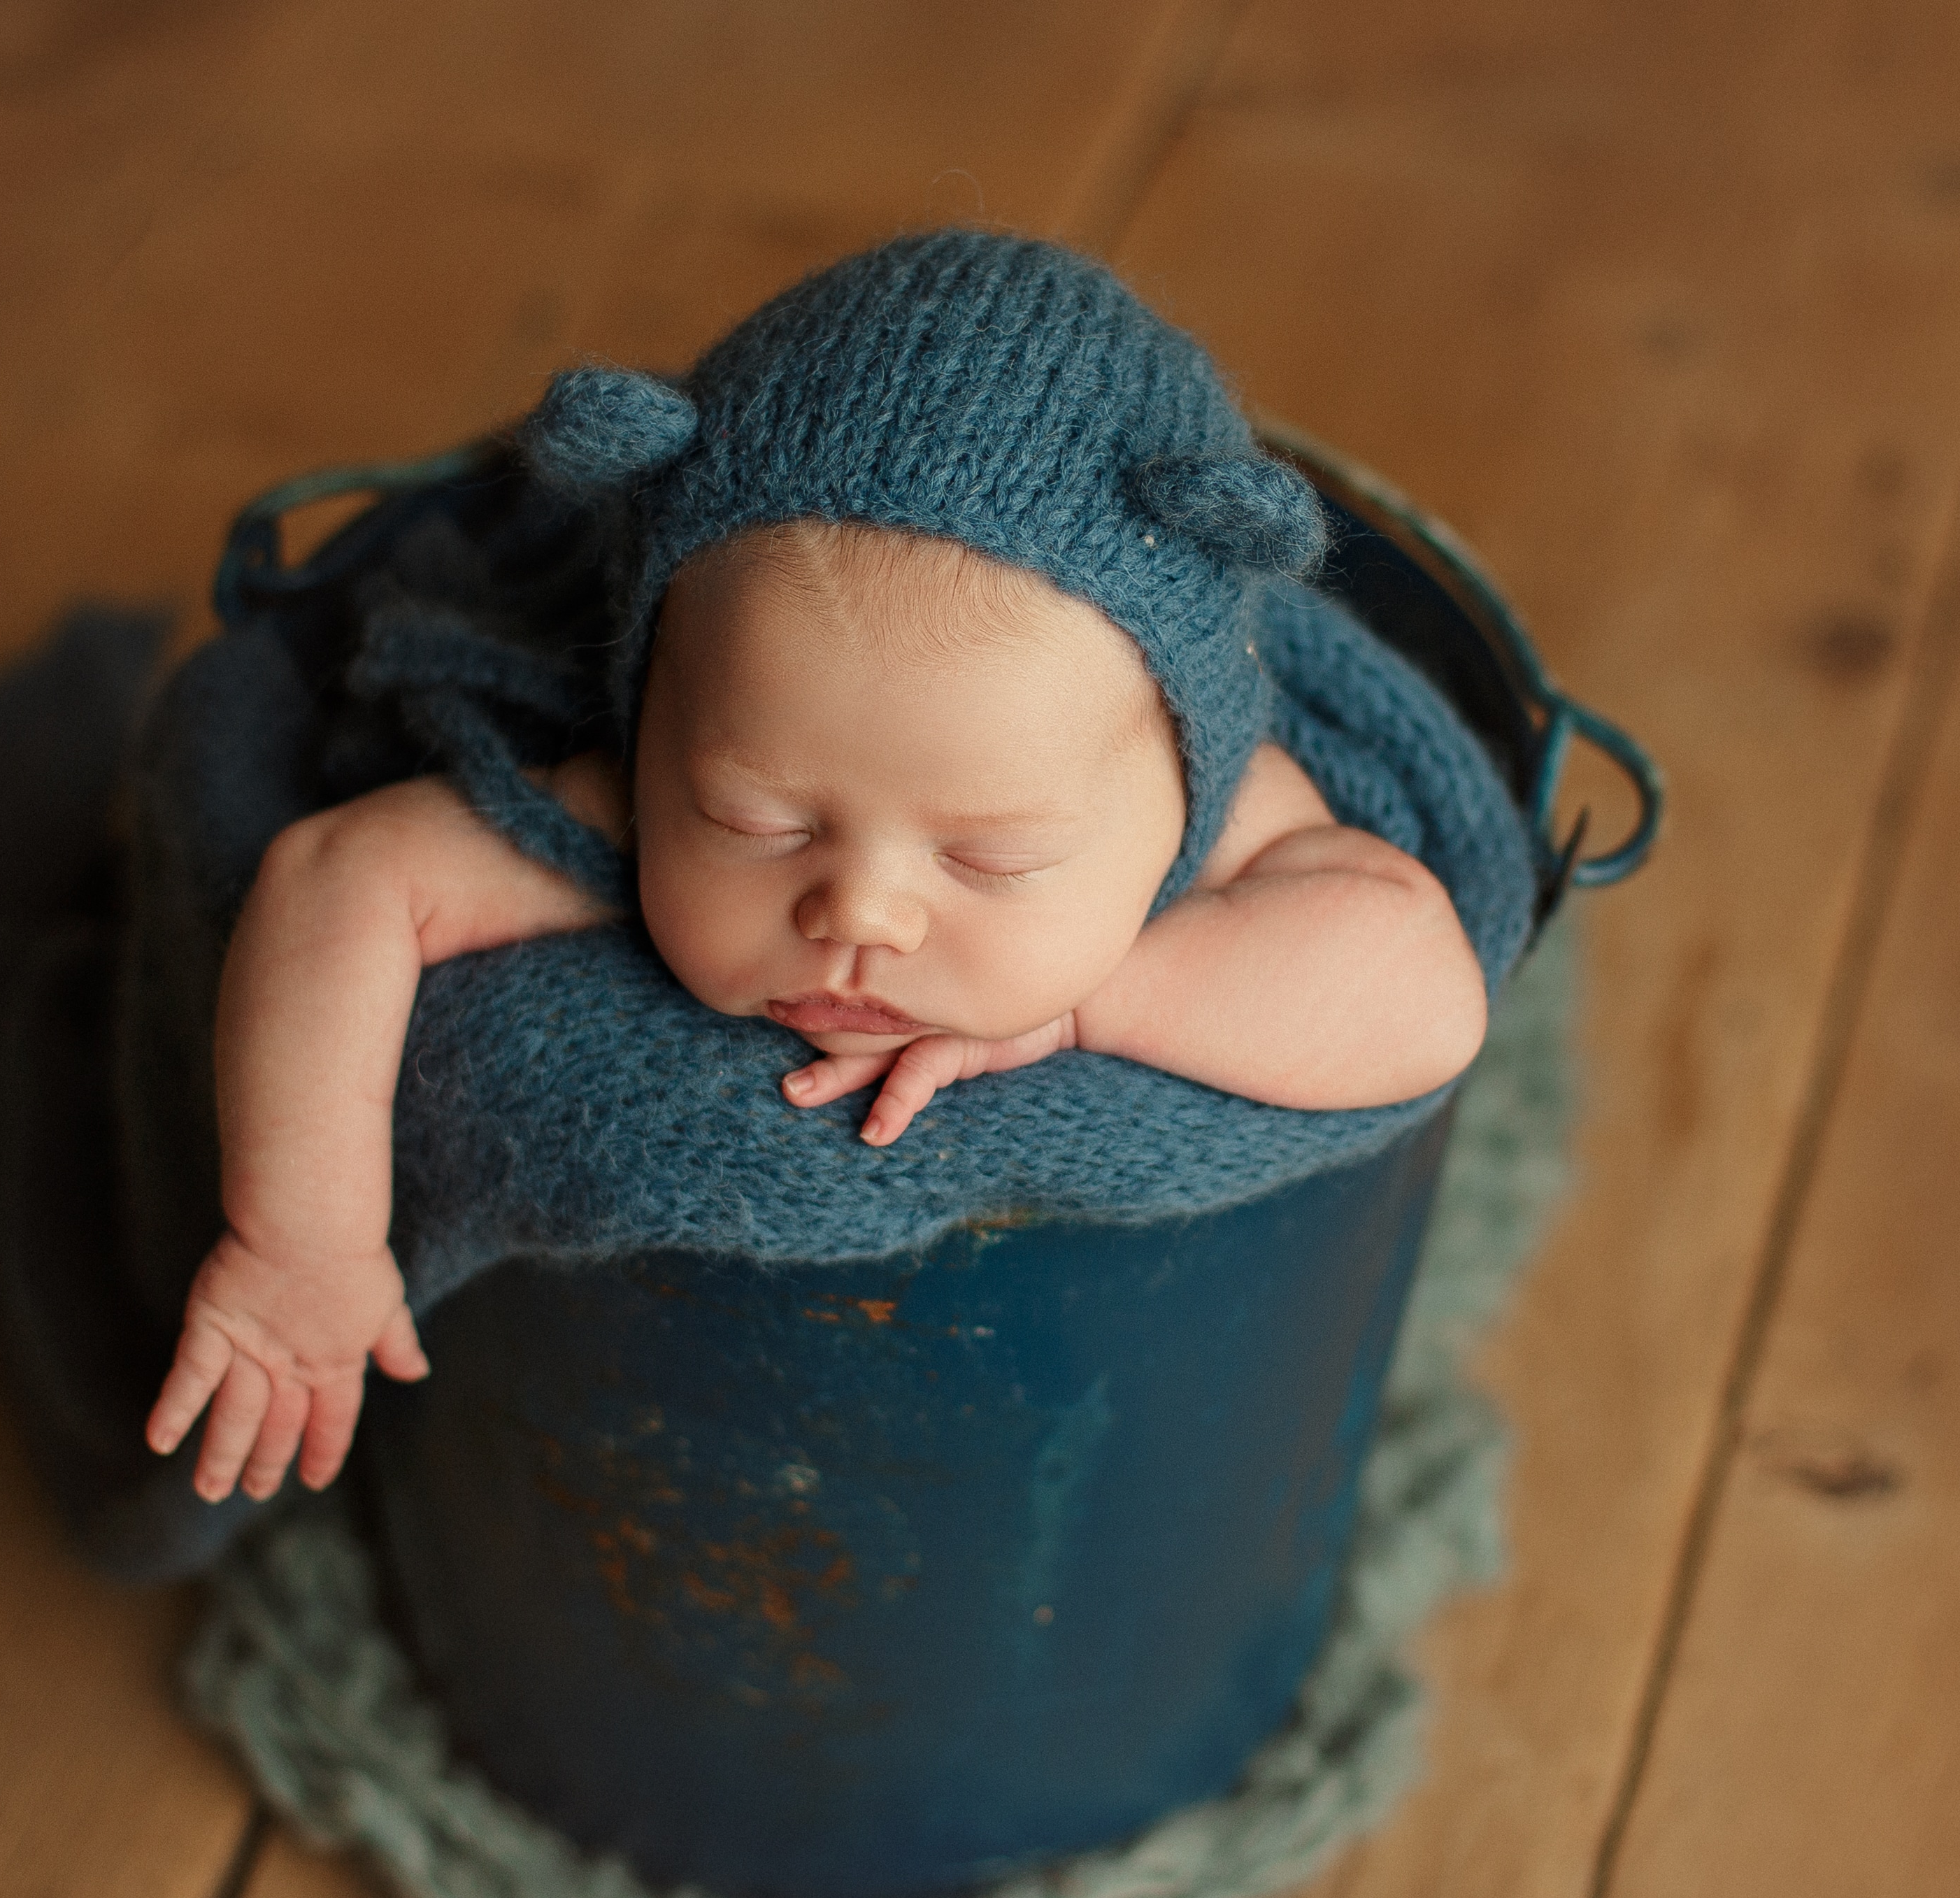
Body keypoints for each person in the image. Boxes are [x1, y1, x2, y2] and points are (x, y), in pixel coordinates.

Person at [145, 229, 1487, 1506]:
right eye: (759, 824)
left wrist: (1097, 998)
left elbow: (1423, 989)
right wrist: (300, 1242)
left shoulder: (1224, 790)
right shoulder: (625, 794)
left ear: (1178, 798)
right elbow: (339, 875)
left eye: (990, 856)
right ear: (652, 712)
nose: (856, 911)